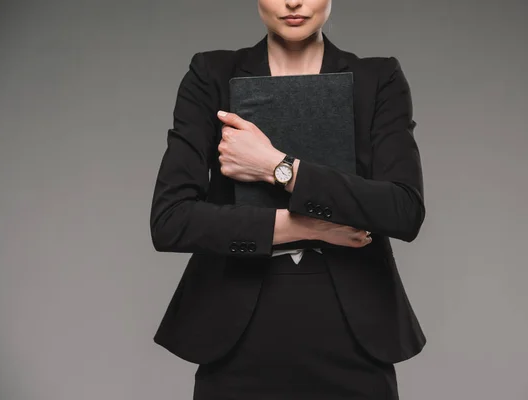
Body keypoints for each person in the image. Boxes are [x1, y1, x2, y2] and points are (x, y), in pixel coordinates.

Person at [149, 0, 427, 398]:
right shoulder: (211, 75)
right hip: (235, 332)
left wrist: (278, 167)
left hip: (354, 331)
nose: (293, 2)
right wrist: (306, 226)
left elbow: (404, 210)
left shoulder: (377, 78)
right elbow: (170, 221)